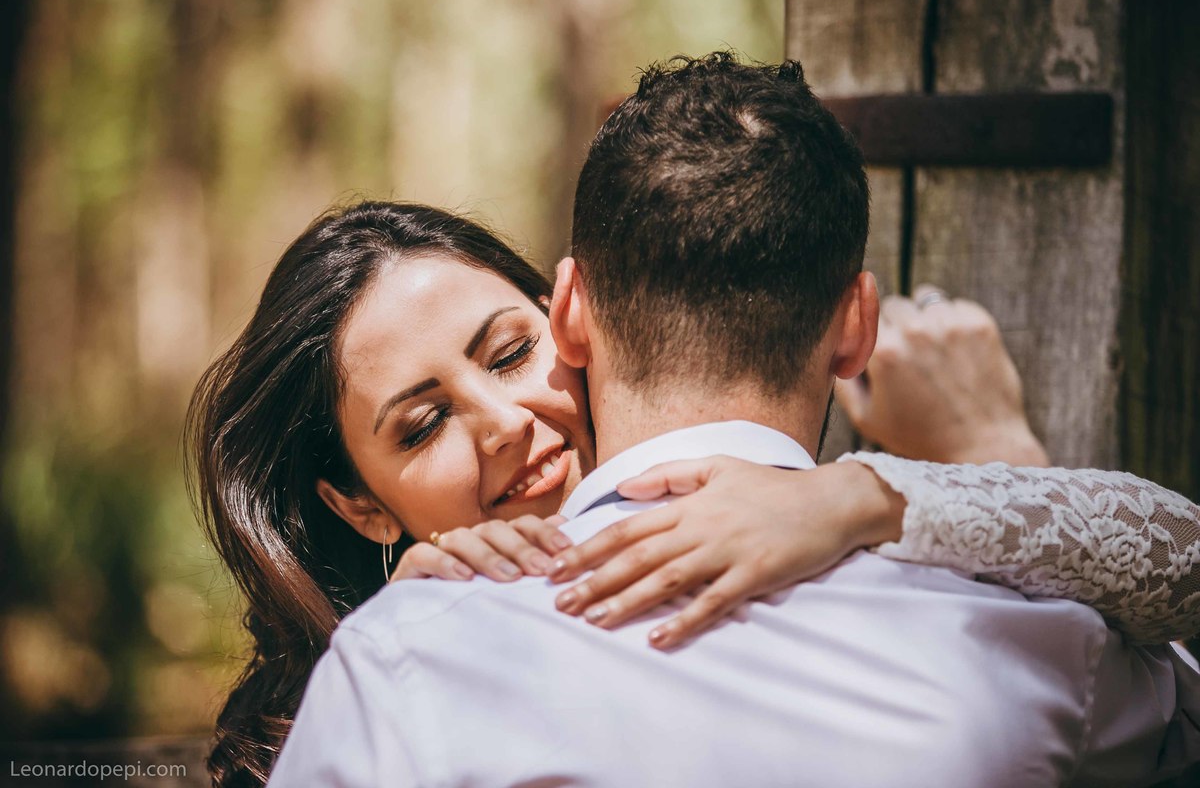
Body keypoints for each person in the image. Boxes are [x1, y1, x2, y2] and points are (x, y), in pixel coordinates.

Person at [264, 54, 1200, 786]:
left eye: (508, 354)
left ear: (567, 313)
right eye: (421, 425)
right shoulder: (1021, 635)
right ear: (857, 327)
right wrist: (971, 471)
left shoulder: (403, 670)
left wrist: (880, 496)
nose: (506, 420)